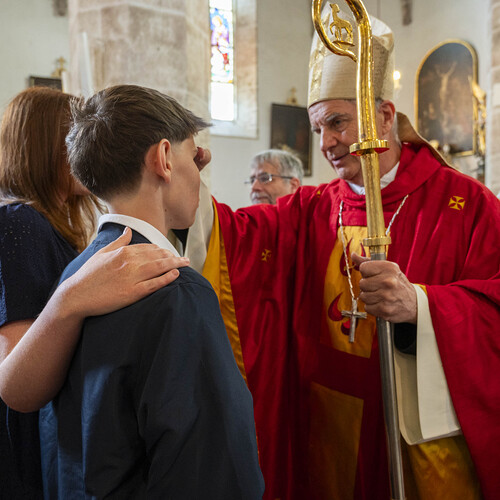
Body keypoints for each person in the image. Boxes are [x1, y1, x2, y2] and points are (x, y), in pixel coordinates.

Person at [185, 13, 500, 500]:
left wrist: (420, 305)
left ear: (385, 117)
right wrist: (185, 181)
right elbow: (236, 242)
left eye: (337, 122)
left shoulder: (466, 203)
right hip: (323, 416)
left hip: (416, 425)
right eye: (317, 128)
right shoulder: (312, 207)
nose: (326, 142)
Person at [39, 84, 264, 499]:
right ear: (163, 158)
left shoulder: (78, 272)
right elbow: (215, 469)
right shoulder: (176, 292)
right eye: (192, 157)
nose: (199, 173)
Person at [0, 87, 188, 499]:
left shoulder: (45, 224)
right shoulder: (19, 224)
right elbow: (15, 379)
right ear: (46, 148)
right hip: (27, 450)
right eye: (77, 136)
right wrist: (72, 298)